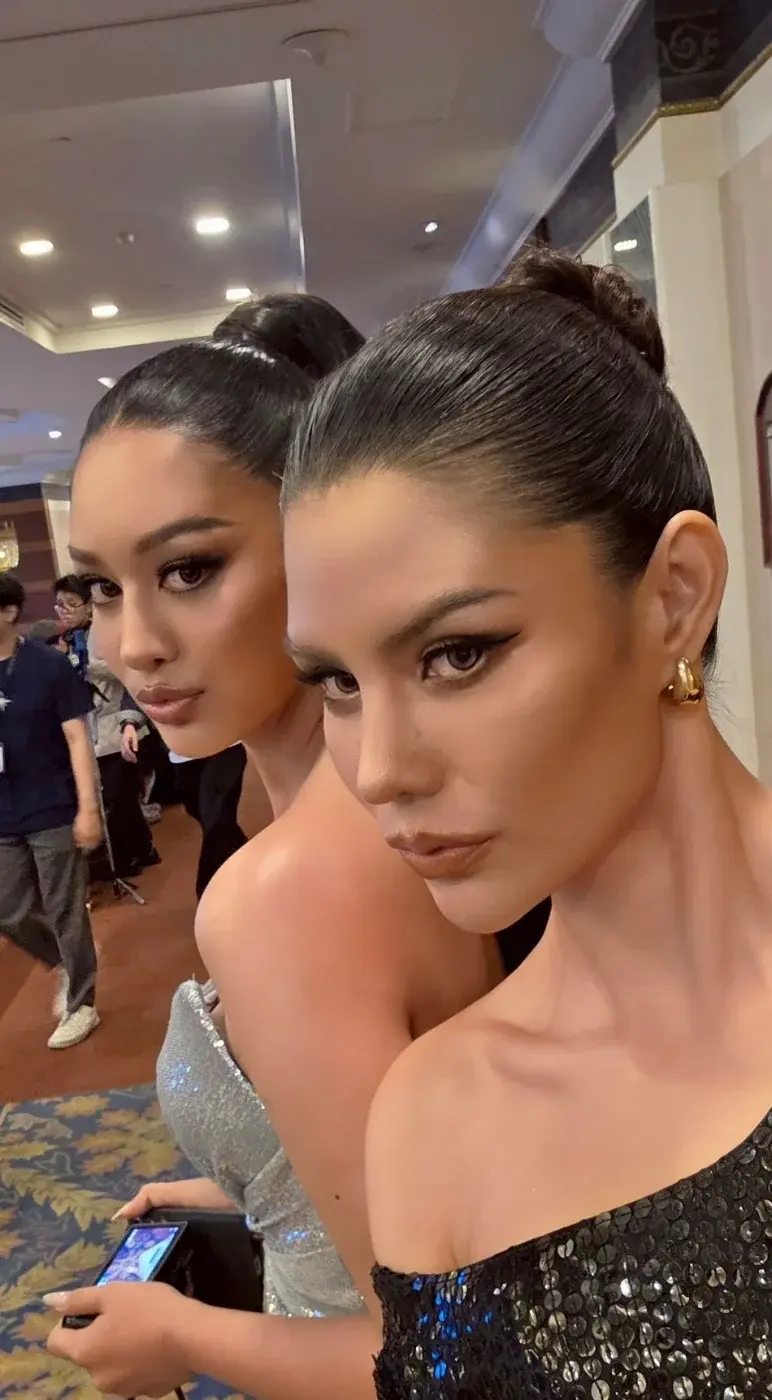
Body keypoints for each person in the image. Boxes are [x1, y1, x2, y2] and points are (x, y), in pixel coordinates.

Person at [278, 245, 772, 1399]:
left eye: (458, 653)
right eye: (336, 683)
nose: (379, 770)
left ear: (673, 596)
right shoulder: (435, 1119)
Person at [44, 293, 549, 1399]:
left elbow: (449, 1350)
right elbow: (436, 1165)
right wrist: (256, 1189)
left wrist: (182, 1338)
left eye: (189, 569)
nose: (133, 644)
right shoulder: (396, 807)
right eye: (102, 588)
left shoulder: (291, 886)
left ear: (321, 539)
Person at [0, 574, 101, 1049]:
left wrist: (88, 808)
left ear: (8, 612)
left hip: (52, 805)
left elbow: (77, 737)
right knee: (9, 909)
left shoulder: (47, 665)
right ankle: (67, 958)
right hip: (4, 812)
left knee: (66, 910)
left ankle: (83, 1003)